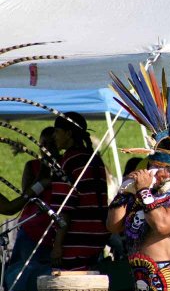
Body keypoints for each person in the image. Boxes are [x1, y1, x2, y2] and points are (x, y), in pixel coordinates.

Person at [50, 111, 110, 270]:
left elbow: (65, 208)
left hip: (75, 239)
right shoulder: (94, 159)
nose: (53, 136)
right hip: (97, 235)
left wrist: (57, 245)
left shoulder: (68, 162)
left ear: (68, 133)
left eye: (57, 131)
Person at [4, 126, 59, 291]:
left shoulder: (65, 167)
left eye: (52, 144)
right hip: (31, 229)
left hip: (56, 232)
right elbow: (25, 197)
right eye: (43, 144)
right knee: (22, 275)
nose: (47, 149)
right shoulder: (32, 165)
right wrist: (43, 177)